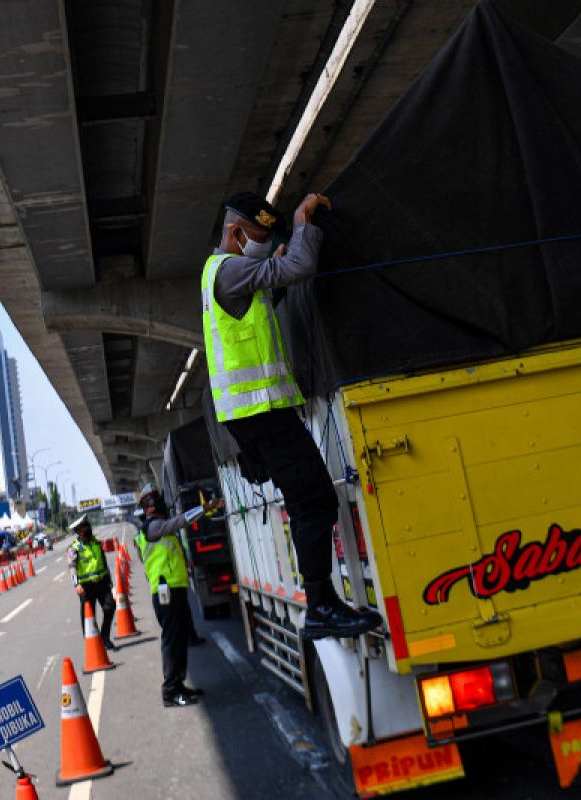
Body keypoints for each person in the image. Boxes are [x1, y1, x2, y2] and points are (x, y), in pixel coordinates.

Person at [200, 191, 381, 641]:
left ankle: (323, 601)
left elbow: (269, 282)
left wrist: (277, 255)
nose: (264, 244)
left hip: (254, 417)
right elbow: (299, 269)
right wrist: (303, 222)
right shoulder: (231, 268)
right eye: (258, 237)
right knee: (314, 501)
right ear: (235, 232)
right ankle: (320, 604)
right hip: (262, 414)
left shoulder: (218, 272)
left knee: (309, 501)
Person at [135, 483, 222, 707]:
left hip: (173, 589)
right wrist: (204, 509)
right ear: (151, 507)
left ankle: (179, 685)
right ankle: (170, 691)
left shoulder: (156, 529)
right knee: (173, 640)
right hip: (166, 593)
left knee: (180, 637)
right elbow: (180, 521)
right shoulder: (152, 527)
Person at [66, 514, 117, 651]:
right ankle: (92, 644)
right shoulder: (74, 548)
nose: (87, 528)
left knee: (110, 607)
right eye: (84, 527)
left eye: (88, 525)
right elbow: (72, 568)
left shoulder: (96, 543)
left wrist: (110, 582)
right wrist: (77, 584)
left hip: (102, 583)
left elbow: (104, 563)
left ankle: (104, 637)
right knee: (88, 616)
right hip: (86, 587)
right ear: (78, 531)